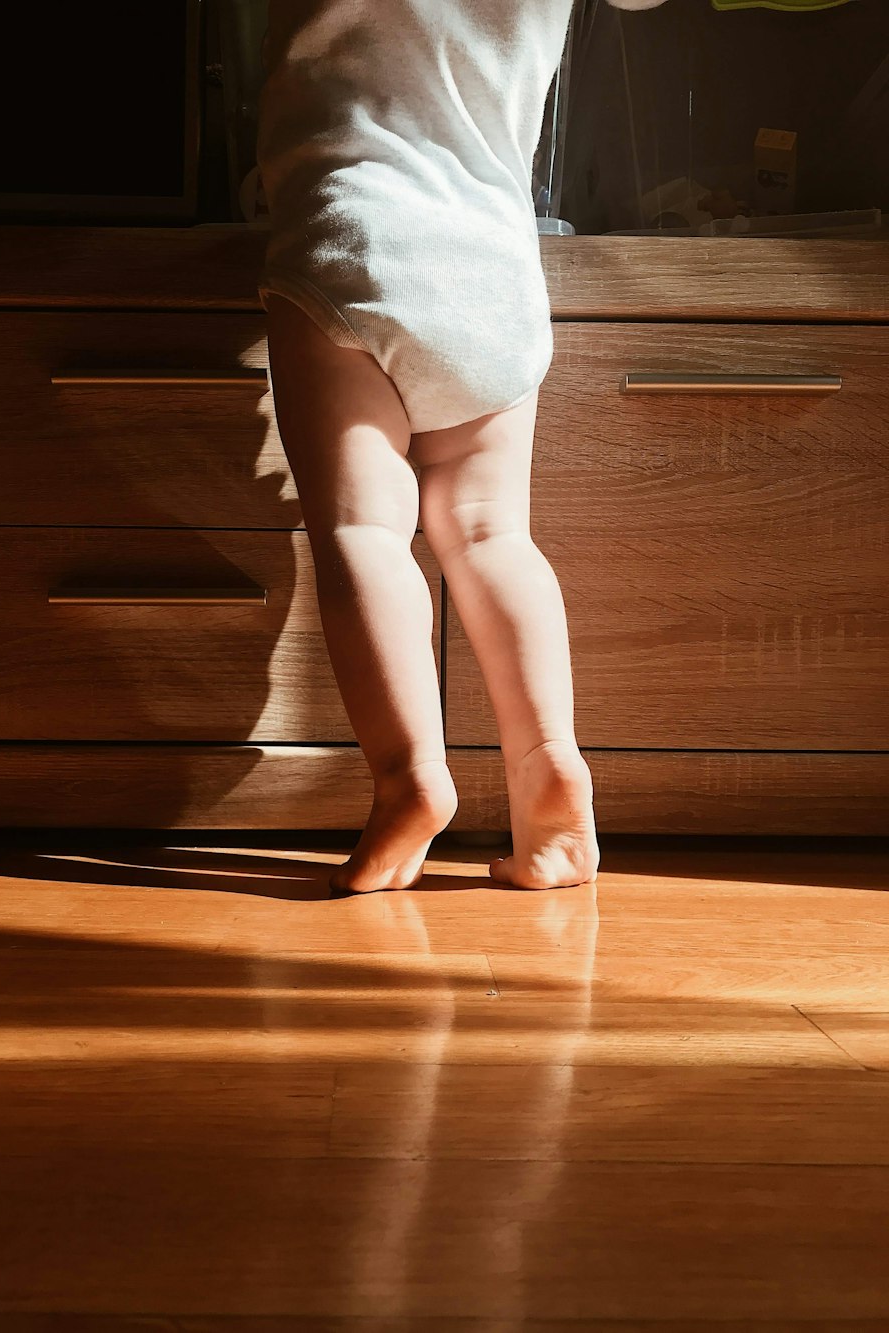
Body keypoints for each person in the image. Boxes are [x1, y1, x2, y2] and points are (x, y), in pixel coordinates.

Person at [255, 0, 667, 894]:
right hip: (492, 261)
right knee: (491, 536)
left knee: (364, 533)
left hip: (349, 232)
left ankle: (409, 778)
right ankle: (550, 763)